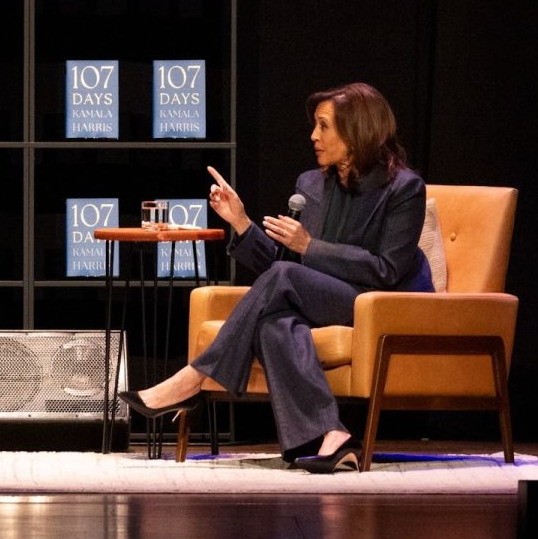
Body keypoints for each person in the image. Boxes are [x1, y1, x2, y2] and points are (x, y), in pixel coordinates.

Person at [120, 82, 432, 473]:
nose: (313, 136)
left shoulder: (404, 189)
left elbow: (388, 269)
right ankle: (332, 436)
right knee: (274, 323)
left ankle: (193, 378)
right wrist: (241, 222)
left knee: (282, 290)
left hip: (375, 303)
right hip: (316, 294)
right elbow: (281, 267)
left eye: (324, 126)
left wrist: (310, 247)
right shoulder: (312, 184)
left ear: (357, 131)